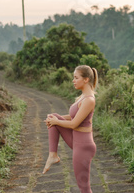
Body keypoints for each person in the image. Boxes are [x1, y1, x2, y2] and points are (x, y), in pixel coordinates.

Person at [42, 65, 98, 193]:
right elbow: (73, 117)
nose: (73, 80)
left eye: (76, 77)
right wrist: (55, 120)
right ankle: (53, 155)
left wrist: (57, 121)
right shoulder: (82, 97)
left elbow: (73, 124)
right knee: (53, 117)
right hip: (76, 140)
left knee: (84, 188)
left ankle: (53, 156)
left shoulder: (89, 100)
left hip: (84, 146)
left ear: (86, 80)